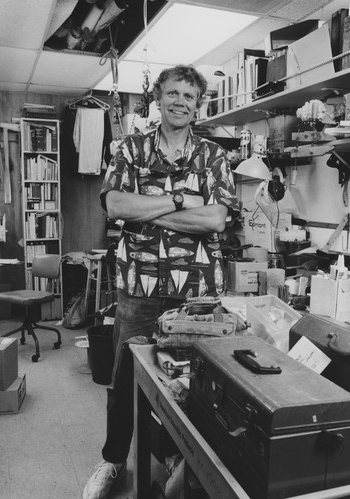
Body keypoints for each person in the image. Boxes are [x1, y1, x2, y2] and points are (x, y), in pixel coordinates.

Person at [82, 64, 240, 499]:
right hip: (139, 286)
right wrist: (174, 200)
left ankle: (175, 456)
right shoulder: (130, 149)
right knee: (124, 378)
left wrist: (146, 208)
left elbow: (217, 217)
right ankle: (114, 461)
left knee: (189, 381)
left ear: (197, 105)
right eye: (173, 94)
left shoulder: (212, 157)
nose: (180, 103)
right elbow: (114, 204)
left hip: (196, 292)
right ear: (158, 97)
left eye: (189, 97)